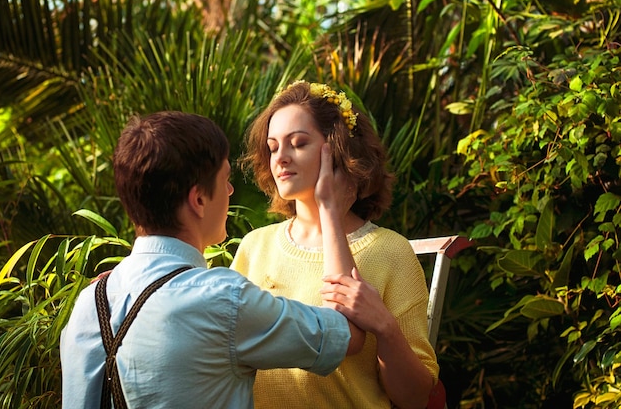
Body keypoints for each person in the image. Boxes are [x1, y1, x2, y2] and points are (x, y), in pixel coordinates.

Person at [59, 110, 371, 409]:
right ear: (198, 200)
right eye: (225, 180)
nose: (231, 190)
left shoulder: (88, 304)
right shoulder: (222, 299)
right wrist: (329, 207)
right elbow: (346, 334)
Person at [232, 81, 439, 409]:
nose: (280, 158)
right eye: (272, 147)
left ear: (339, 149)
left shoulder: (390, 251)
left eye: (298, 143)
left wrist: (385, 328)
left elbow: (414, 398)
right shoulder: (254, 247)